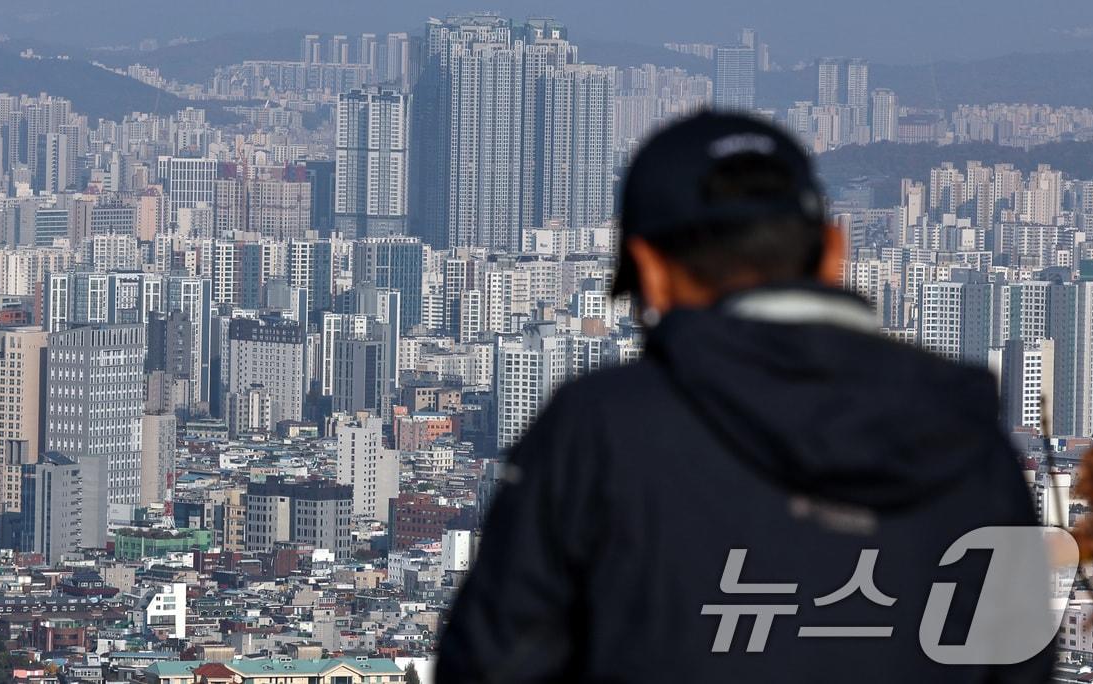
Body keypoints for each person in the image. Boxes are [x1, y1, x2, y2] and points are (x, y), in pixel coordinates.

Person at [435, 112, 1053, 682]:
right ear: (835, 252)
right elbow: (1022, 661)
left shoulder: (604, 429)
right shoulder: (966, 437)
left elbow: (494, 662)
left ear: (649, 270)